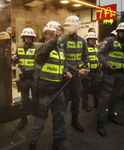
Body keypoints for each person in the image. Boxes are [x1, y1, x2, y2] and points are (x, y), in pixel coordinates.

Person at [29, 21, 86, 150]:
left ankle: (57, 142)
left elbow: (64, 64)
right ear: (45, 35)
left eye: (54, 35)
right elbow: (47, 47)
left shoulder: (61, 50)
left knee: (60, 117)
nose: (52, 37)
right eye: (49, 34)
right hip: (44, 92)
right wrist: (54, 40)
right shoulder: (40, 48)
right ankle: (32, 144)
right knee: (40, 121)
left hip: (58, 90)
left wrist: (66, 72)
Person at [97, 22, 124, 136]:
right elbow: (99, 54)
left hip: (121, 75)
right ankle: (100, 122)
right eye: (122, 31)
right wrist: (107, 65)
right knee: (105, 97)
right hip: (110, 73)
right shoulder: (110, 41)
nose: (123, 34)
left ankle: (111, 115)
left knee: (114, 97)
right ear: (118, 32)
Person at [62, 15, 90, 132]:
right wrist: (76, 70)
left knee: (76, 99)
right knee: (63, 102)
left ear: (77, 27)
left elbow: (86, 56)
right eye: (68, 26)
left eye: (72, 26)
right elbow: (62, 61)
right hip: (65, 76)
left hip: (77, 77)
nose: (70, 28)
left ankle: (75, 121)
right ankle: (60, 127)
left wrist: (87, 63)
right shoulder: (62, 41)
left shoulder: (82, 41)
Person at [11, 28, 36, 130]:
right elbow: (16, 62)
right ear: (23, 38)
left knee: (36, 98)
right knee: (24, 100)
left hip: (34, 78)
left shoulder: (37, 48)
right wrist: (14, 59)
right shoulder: (19, 48)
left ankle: (37, 119)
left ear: (32, 38)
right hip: (24, 78)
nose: (28, 39)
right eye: (26, 37)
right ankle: (24, 119)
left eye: (30, 37)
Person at [81, 32, 100, 111]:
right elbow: (82, 59)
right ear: (88, 40)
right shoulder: (84, 48)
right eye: (91, 39)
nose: (93, 41)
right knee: (85, 88)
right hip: (87, 71)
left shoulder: (96, 48)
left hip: (95, 71)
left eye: (94, 39)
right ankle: (85, 104)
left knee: (96, 88)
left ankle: (96, 104)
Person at [0, 31, 12, 105]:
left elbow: (7, 58)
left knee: (7, 86)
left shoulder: (6, 47)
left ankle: (9, 101)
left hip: (7, 69)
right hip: (6, 69)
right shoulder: (5, 46)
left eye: (1, 40)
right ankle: (8, 100)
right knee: (7, 86)